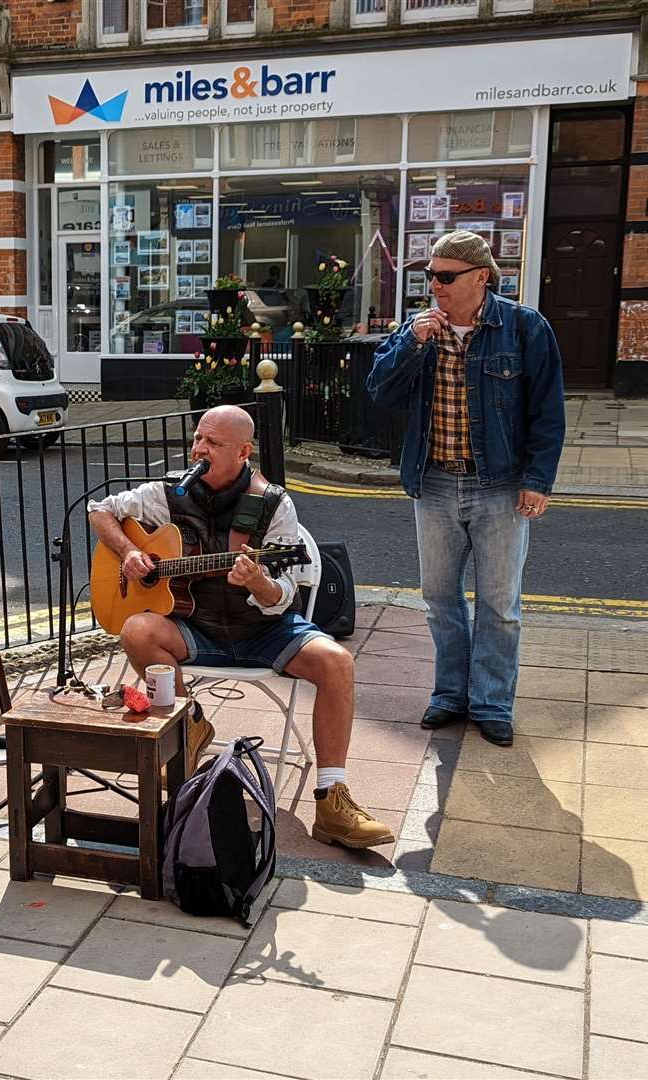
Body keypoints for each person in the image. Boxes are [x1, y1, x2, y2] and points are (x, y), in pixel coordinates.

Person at [87, 405, 395, 849]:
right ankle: (188, 726)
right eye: (198, 439)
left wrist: (260, 583)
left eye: (212, 443)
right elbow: (101, 510)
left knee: (337, 663)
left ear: (243, 451)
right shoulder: (169, 492)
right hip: (197, 624)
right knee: (136, 628)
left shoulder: (272, 503)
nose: (199, 449)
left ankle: (332, 799)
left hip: (264, 628)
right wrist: (129, 552)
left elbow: (285, 594)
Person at [366, 230, 565, 747]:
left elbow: (548, 412)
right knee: (439, 598)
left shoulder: (523, 327)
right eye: (429, 275)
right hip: (433, 483)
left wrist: (538, 481)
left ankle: (493, 702)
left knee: (500, 603)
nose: (435, 285)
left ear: (482, 278)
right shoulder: (418, 331)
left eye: (445, 276)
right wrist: (412, 344)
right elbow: (379, 392)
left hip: (498, 485)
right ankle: (451, 694)